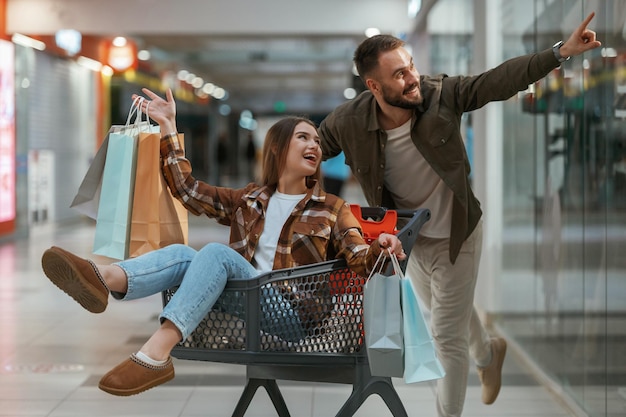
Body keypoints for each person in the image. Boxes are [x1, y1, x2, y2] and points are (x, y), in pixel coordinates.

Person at [318, 12, 601, 417]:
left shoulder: (441, 94)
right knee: (448, 312)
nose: (412, 77)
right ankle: (489, 354)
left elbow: (498, 80)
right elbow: (307, 148)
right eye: (399, 75)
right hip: (409, 241)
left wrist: (560, 53)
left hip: (457, 234)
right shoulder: (348, 121)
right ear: (373, 86)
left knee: (444, 336)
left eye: (411, 65)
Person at [41, 88, 405, 397]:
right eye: (303, 137)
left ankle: (157, 350)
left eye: (317, 141)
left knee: (215, 253)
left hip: (292, 319)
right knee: (186, 255)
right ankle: (104, 279)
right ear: (277, 149)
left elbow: (359, 256)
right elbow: (188, 191)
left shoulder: (331, 209)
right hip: (247, 303)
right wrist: (168, 124)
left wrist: (383, 246)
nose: (315, 145)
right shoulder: (249, 199)